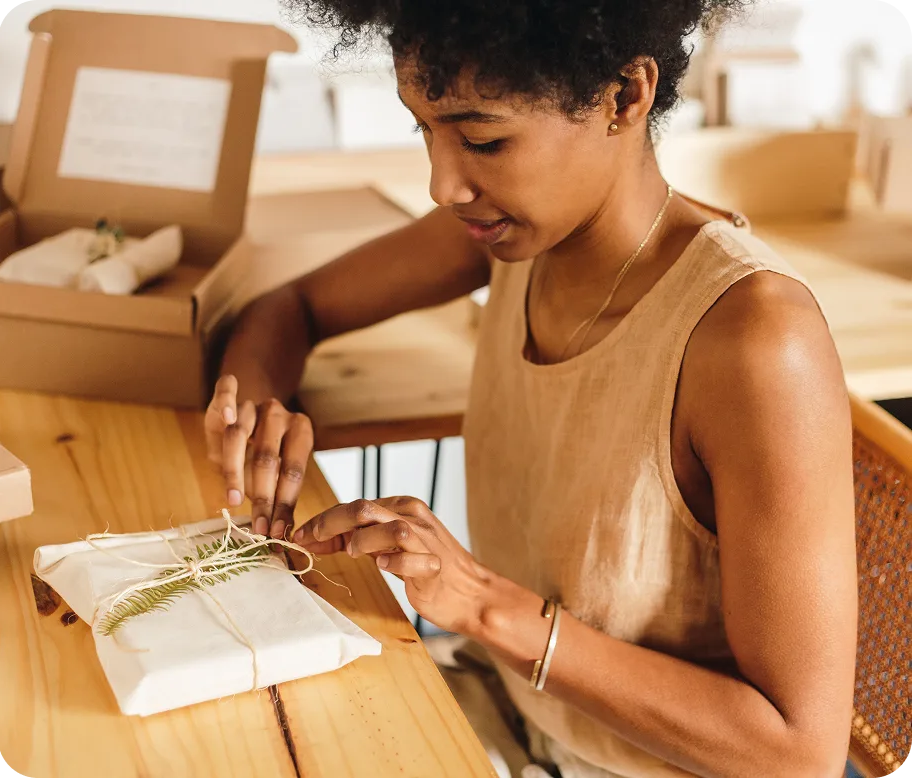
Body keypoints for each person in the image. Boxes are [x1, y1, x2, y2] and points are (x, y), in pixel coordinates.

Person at [204, 1, 857, 776]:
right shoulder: (513, 235)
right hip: (515, 717)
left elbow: (798, 751)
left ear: (625, 97)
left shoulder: (752, 340)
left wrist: (484, 606)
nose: (443, 183)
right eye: (425, 129)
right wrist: (258, 413)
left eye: (483, 140)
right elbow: (291, 307)